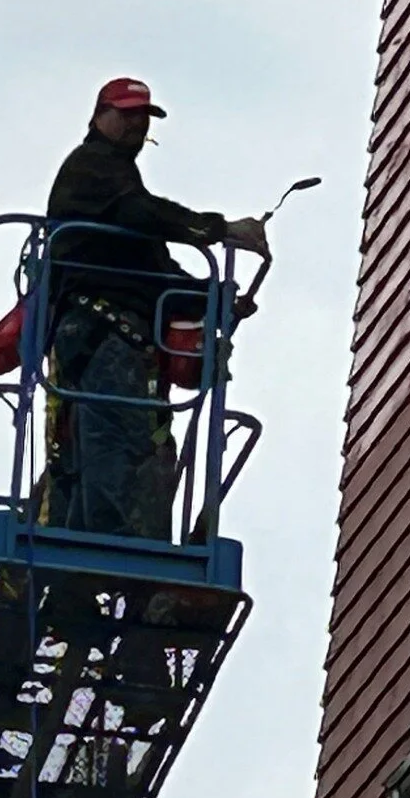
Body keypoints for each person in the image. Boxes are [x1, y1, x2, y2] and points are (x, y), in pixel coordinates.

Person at [43, 78, 268, 540]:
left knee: (112, 443)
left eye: (143, 117)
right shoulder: (92, 167)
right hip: (99, 327)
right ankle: (106, 547)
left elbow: (156, 271)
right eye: (126, 114)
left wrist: (215, 297)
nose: (136, 125)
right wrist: (218, 229)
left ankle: (92, 546)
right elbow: (141, 214)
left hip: (113, 335)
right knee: (114, 442)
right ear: (99, 116)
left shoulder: (118, 186)